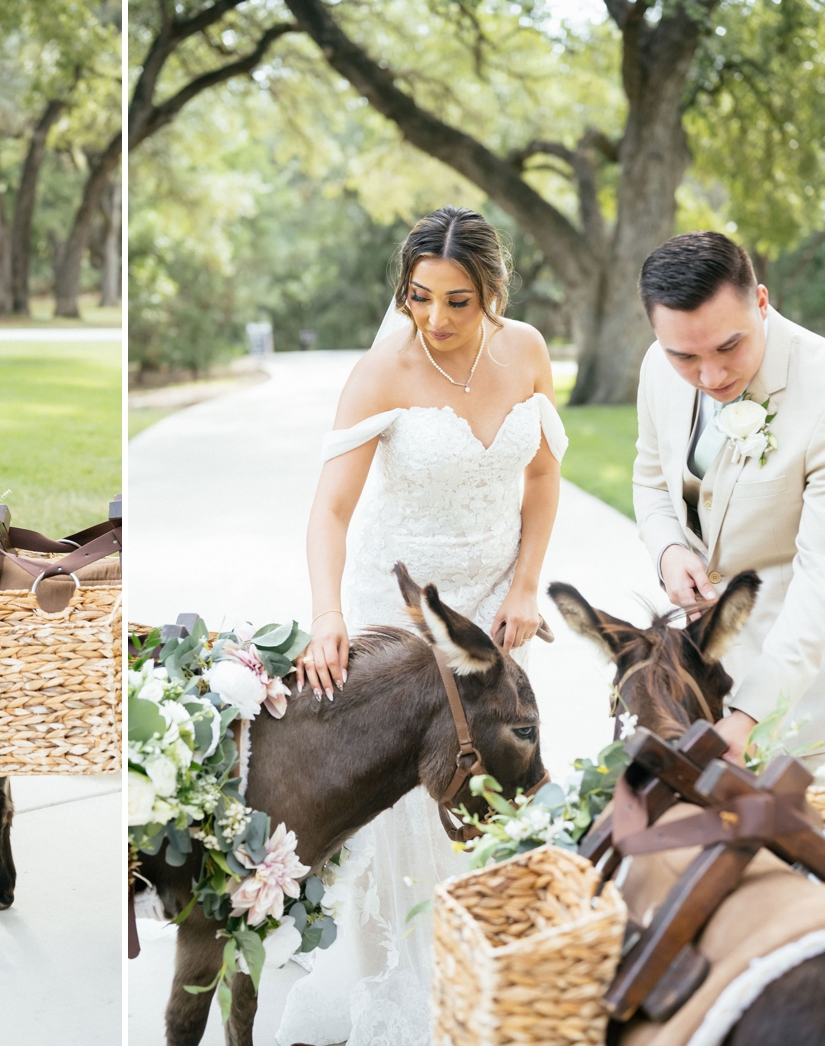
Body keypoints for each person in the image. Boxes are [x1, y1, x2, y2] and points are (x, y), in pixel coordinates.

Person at [279, 206, 566, 1046]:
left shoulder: (528, 353)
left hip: (492, 613)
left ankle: (489, 977)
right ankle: (399, 1001)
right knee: (406, 802)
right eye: (418, 297)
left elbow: (543, 480)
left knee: (497, 780)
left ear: (494, 294)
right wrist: (328, 616)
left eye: (457, 302)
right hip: (400, 608)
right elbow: (329, 511)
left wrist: (525, 586)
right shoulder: (384, 369)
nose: (435, 320)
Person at [633, 231, 825, 768]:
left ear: (761, 302)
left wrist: (748, 714)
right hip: (698, 676)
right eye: (685, 356)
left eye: (728, 347)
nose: (711, 376)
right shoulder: (656, 367)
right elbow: (650, 477)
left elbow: (821, 582)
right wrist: (668, 550)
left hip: (804, 688)